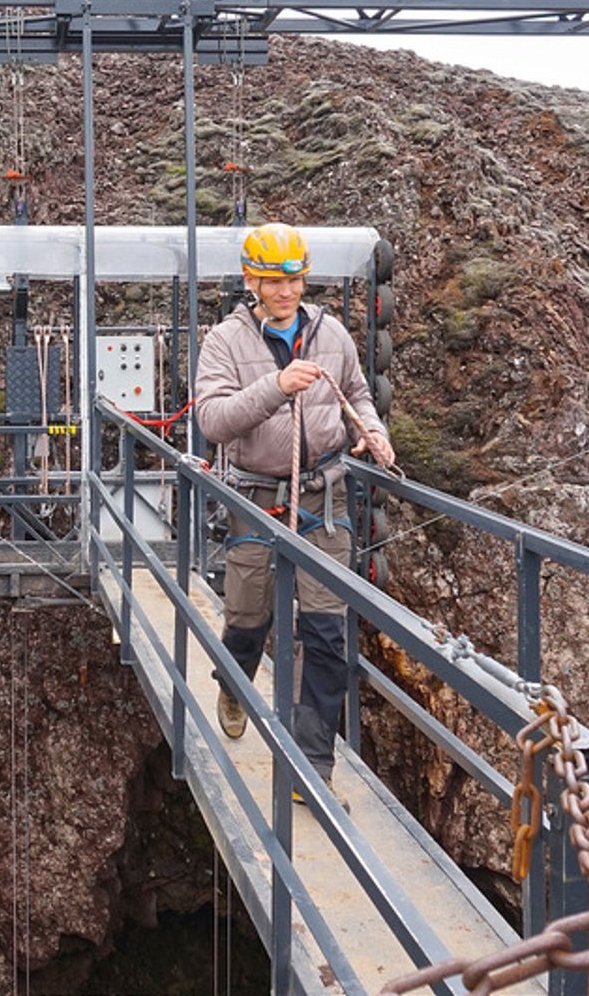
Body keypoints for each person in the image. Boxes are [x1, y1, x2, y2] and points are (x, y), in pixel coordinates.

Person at [194, 222, 397, 799]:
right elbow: (213, 420)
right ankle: (234, 682)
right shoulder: (226, 343)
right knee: (247, 616)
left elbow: (357, 394)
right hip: (257, 497)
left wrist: (372, 431)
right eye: (272, 282)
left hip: (322, 498)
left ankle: (314, 764)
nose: (285, 292)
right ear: (250, 281)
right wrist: (277, 387)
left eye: (294, 280)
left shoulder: (332, 333)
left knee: (327, 631)